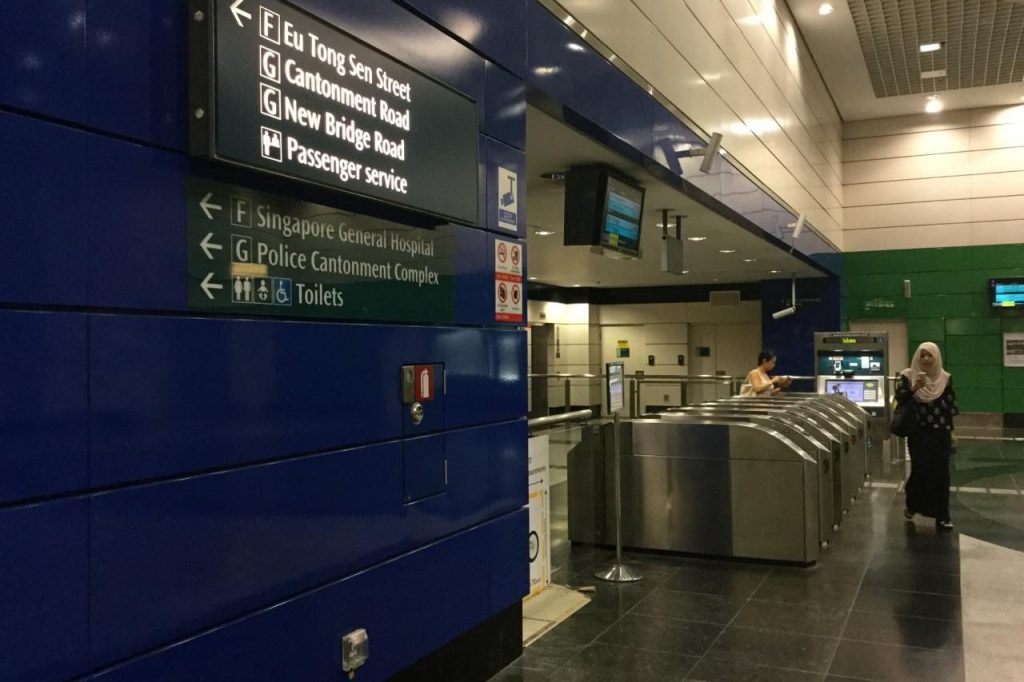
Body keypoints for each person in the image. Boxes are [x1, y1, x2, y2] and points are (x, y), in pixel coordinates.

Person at [897, 342, 958, 532]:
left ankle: (942, 516)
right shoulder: (907, 376)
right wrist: (914, 388)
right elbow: (900, 399)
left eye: (929, 355)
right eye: (922, 355)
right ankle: (913, 504)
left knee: (941, 474)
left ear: (936, 357)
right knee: (920, 470)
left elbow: (949, 407)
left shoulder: (945, 378)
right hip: (918, 432)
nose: (925, 359)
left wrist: (953, 432)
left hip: (940, 432)